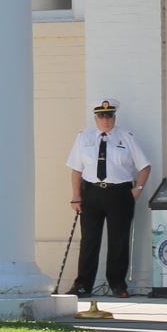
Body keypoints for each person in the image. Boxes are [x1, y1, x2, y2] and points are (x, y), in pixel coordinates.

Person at [64, 98, 153, 299]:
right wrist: (76, 196)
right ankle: (83, 284)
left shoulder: (126, 137)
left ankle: (117, 284)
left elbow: (145, 166)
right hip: (92, 193)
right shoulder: (84, 137)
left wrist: (136, 190)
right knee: (89, 240)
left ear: (115, 116)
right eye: (102, 116)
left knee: (118, 241)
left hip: (119, 193)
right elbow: (76, 169)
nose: (106, 119)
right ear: (95, 117)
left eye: (109, 115)